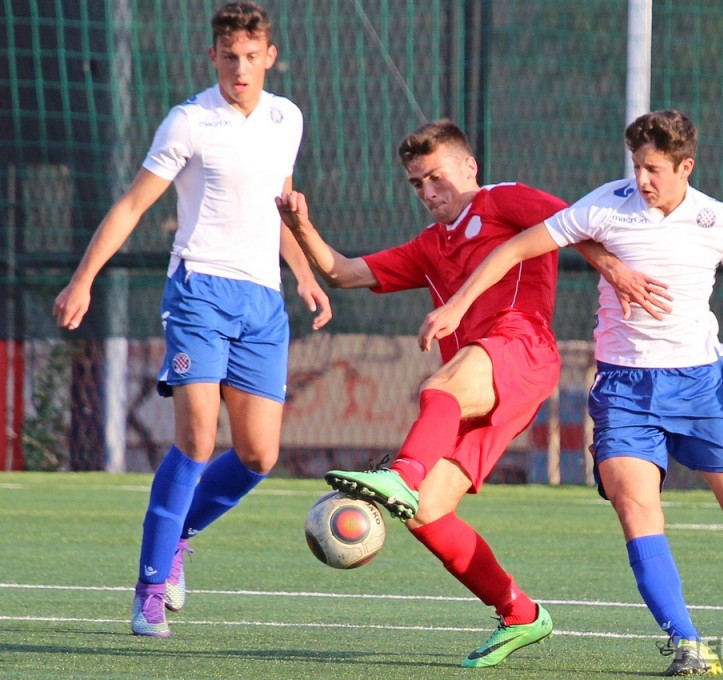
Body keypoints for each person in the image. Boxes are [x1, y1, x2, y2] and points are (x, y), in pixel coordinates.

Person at [418, 109, 723, 676]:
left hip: (699, 387)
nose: (641, 179)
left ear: (685, 167)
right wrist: (455, 305)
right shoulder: (606, 204)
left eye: (653, 169)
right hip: (622, 389)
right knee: (635, 506)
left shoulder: (719, 221)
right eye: (636, 166)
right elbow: (514, 250)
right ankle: (688, 644)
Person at [276, 118, 664, 668]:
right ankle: (519, 612)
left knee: (440, 385)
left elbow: (577, 225)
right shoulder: (430, 246)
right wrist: (300, 227)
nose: (429, 192)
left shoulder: (503, 201)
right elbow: (342, 272)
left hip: (521, 349)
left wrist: (616, 269)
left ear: (468, 168)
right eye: (417, 184)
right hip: (482, 384)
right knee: (428, 513)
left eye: (436, 177)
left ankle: (400, 475)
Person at [52, 2, 331, 638]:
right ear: (213, 57)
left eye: (250, 56)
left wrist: (306, 274)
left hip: (262, 301)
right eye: (228, 56)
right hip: (198, 292)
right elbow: (129, 207)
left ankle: (181, 538)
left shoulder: (287, 118)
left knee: (259, 455)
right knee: (198, 440)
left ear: (269, 57)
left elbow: (278, 207)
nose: (239, 67)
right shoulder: (188, 122)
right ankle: (149, 590)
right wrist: (83, 280)